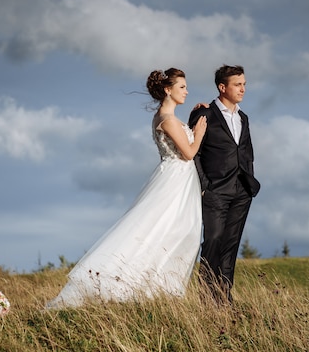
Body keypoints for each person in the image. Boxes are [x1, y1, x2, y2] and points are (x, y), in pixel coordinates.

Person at [46, 68, 207, 309]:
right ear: (168, 89)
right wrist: (199, 133)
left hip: (179, 181)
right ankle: (145, 288)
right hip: (174, 182)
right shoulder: (168, 120)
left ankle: (160, 291)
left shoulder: (166, 116)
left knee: (172, 233)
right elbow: (189, 152)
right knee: (163, 233)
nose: (186, 91)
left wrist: (196, 115)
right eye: (182, 87)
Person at [188, 64, 260, 305]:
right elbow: (194, 152)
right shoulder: (204, 114)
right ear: (222, 87)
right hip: (215, 191)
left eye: (244, 84)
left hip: (241, 191)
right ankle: (207, 301)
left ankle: (225, 301)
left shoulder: (244, 118)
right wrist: (205, 185)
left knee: (230, 246)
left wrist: (249, 182)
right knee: (214, 241)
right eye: (238, 84)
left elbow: (247, 152)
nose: (243, 89)